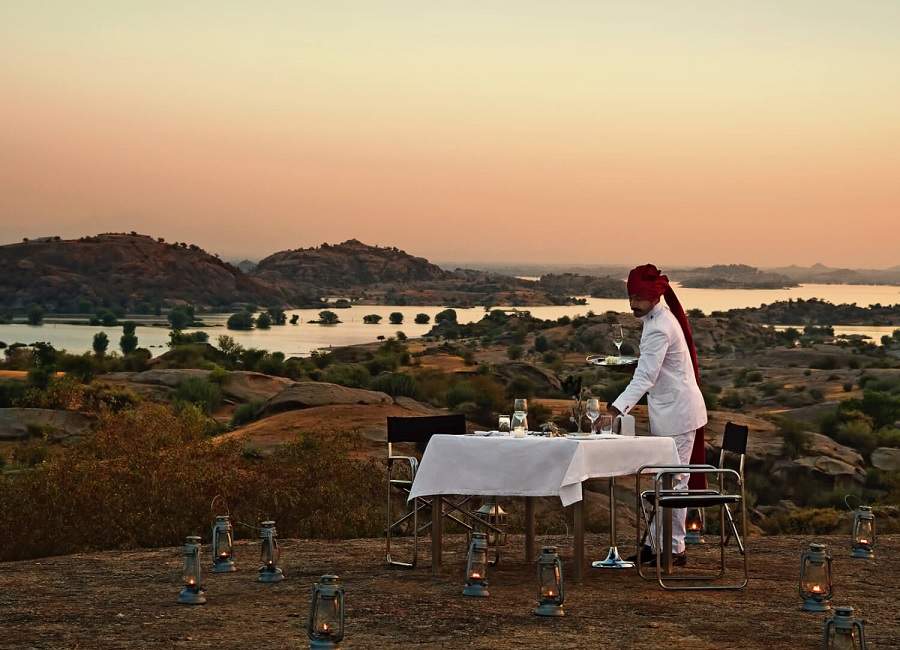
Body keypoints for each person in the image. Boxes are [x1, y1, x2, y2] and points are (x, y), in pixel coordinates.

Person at [606, 264, 707, 566]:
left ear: (652, 296)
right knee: (667, 481)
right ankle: (657, 544)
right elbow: (654, 368)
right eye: (630, 297)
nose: (632, 304)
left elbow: (646, 378)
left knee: (674, 482)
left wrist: (616, 408)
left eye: (638, 298)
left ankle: (673, 549)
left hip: (679, 413)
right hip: (672, 411)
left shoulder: (660, 326)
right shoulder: (657, 319)